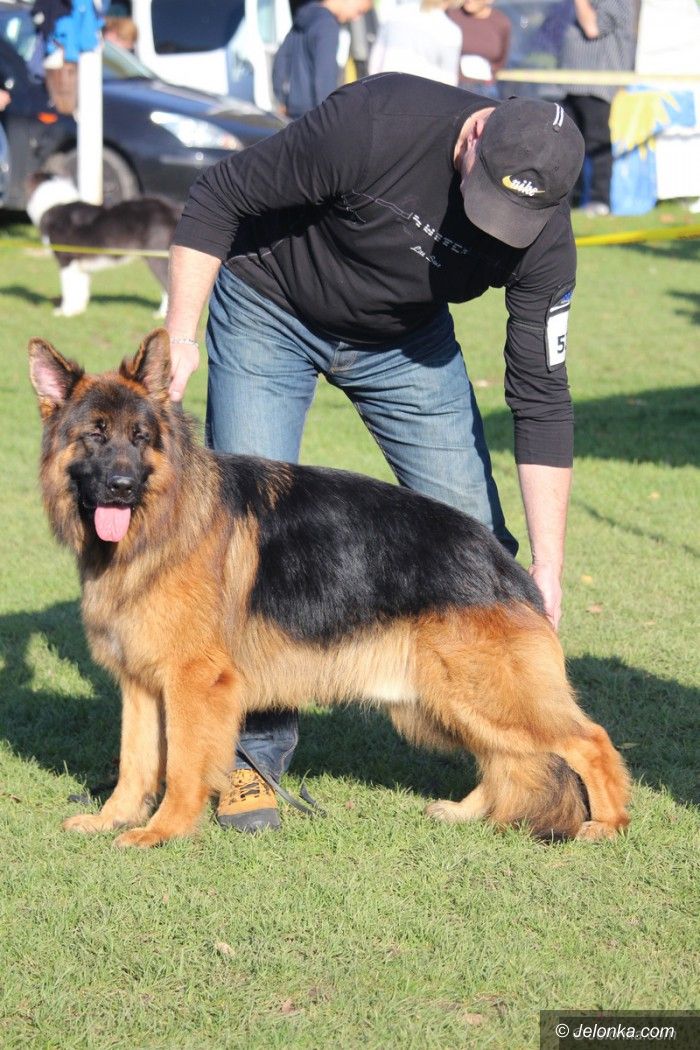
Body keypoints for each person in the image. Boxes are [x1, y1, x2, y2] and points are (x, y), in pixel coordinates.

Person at [165, 74, 584, 833]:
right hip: (270, 307)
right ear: (474, 135)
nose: (497, 229)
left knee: (479, 545)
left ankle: (513, 752)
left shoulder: (546, 235)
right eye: (487, 200)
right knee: (250, 551)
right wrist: (181, 336)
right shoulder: (376, 120)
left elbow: (542, 397)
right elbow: (217, 196)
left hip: (405, 342)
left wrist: (549, 564)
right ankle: (252, 758)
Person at [559, 0, 636, 215]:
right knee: (568, 144)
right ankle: (568, 199)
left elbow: (592, 28)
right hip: (570, 85)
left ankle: (599, 199)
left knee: (597, 143)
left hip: (596, 86)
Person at [272, 0, 370, 119]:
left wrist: (281, 99)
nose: (356, 18)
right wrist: (329, 116)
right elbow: (325, 76)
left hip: (291, 108)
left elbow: (281, 59)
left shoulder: (303, 17)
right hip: (314, 113)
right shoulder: (328, 25)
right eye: (359, 11)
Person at [367, 0, 464, 86]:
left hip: (384, 89)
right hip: (422, 95)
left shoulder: (395, 14)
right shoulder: (450, 32)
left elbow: (375, 63)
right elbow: (449, 82)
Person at [448, 0, 511, 98]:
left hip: (487, 89)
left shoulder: (501, 22)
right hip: (453, 87)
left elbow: (502, 58)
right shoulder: (451, 16)